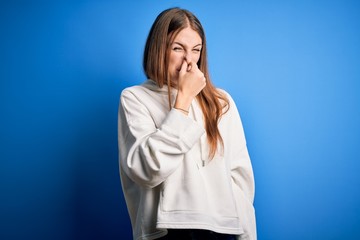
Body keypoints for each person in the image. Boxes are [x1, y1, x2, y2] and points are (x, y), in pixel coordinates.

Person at [118, 7, 256, 240]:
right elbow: (147, 170)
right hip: (166, 230)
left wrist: (248, 236)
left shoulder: (221, 102)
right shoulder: (134, 98)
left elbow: (239, 180)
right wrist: (183, 99)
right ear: (159, 49)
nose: (189, 60)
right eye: (178, 48)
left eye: (196, 50)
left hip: (222, 230)